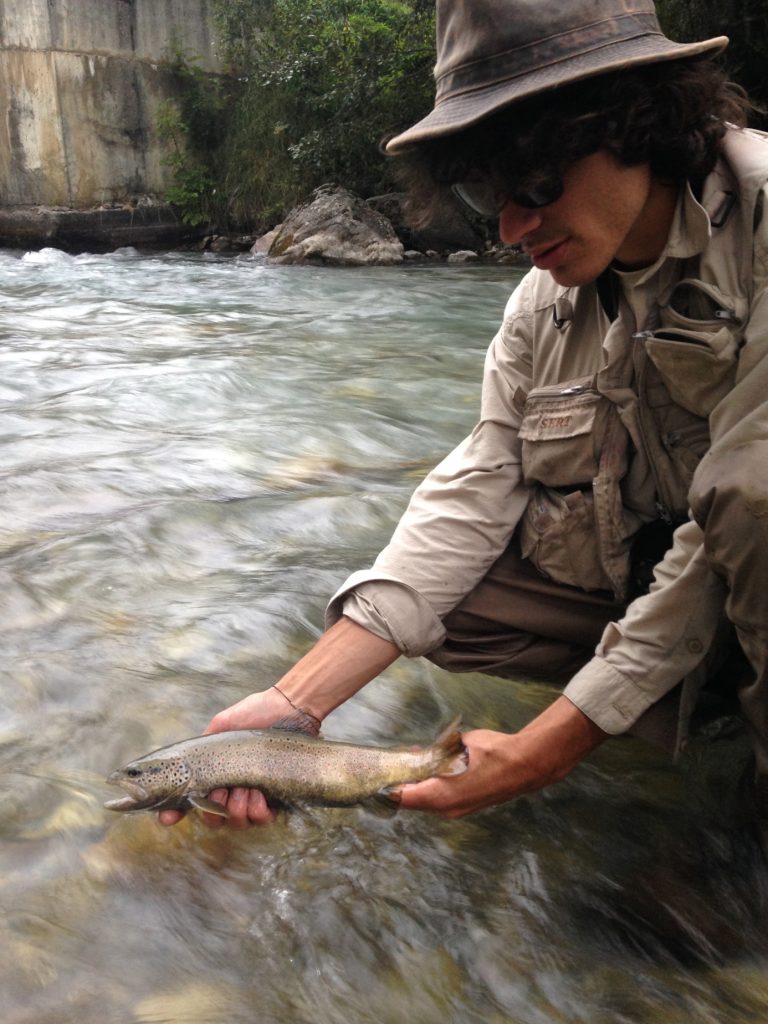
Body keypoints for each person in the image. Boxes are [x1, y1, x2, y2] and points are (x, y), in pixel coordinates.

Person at [162, 0, 768, 830]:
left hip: (745, 554)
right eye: (490, 195)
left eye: (538, 185)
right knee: (447, 604)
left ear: (642, 124)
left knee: (752, 498)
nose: (514, 228)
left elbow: (732, 523)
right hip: (688, 582)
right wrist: (294, 705)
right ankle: (700, 713)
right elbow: (478, 487)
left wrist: (553, 743)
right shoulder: (536, 311)